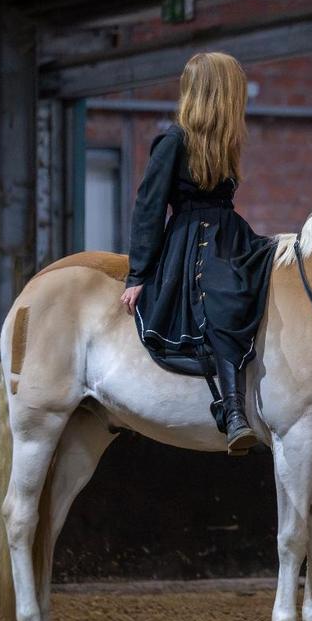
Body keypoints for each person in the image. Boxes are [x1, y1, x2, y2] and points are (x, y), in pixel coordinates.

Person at [120, 52, 278, 455]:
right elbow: (149, 208)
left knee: (280, 266)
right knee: (225, 298)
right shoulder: (172, 142)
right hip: (192, 244)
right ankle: (233, 412)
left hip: (229, 234)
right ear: (218, 94)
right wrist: (138, 275)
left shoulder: (224, 144)